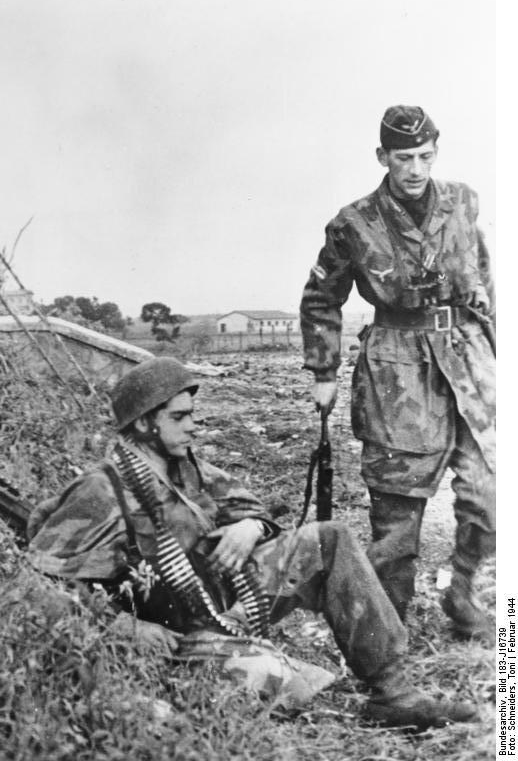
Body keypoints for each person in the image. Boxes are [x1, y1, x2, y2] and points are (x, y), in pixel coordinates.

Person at [28, 356, 476, 729]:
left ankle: (395, 692)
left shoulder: (187, 468)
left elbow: (252, 507)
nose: (192, 428)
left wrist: (252, 529)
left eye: (192, 416)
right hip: (174, 635)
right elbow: (43, 589)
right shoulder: (102, 491)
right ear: (145, 424)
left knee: (330, 538)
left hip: (220, 599)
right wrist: (127, 629)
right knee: (284, 692)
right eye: (179, 418)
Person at [300, 105, 495, 637]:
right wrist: (322, 370)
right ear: (382, 156)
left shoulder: (462, 201)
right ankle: (391, 629)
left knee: (491, 488)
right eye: (403, 157)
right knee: (398, 509)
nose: (415, 168)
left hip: (468, 357)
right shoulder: (353, 222)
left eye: (425, 156)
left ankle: (462, 590)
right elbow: (322, 297)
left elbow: (483, 276)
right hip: (398, 368)